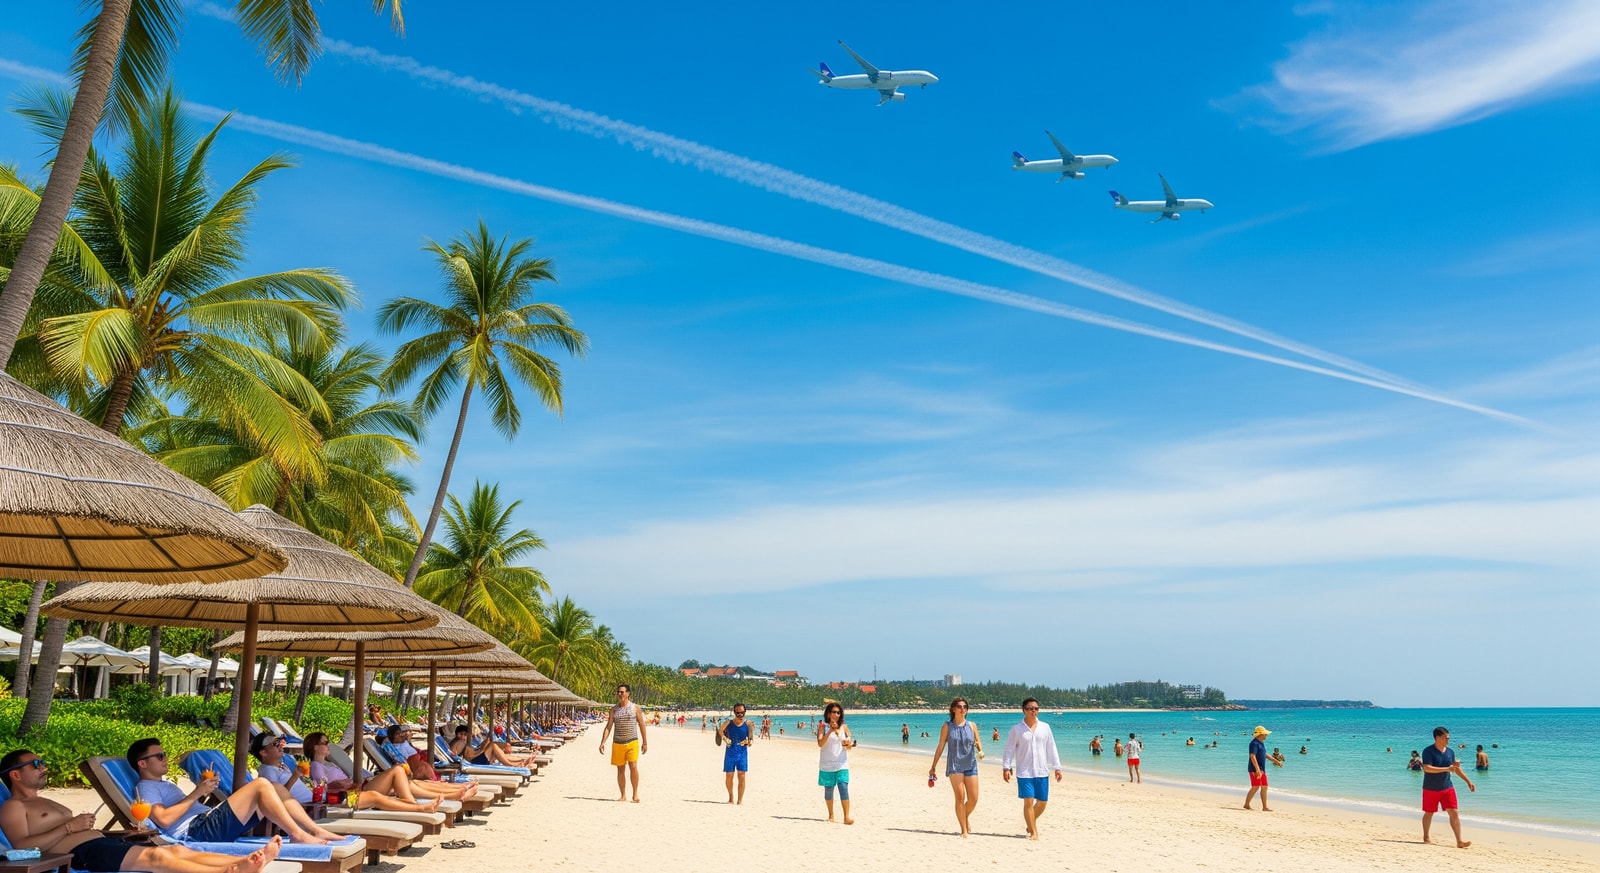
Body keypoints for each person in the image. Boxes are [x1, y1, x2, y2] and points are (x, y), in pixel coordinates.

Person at [0, 750, 282, 873]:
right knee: (157, 856)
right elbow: (21, 848)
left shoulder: (44, 801)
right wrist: (69, 827)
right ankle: (229, 871)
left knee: (176, 851)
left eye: (42, 762)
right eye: (36, 764)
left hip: (100, 842)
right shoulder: (14, 806)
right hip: (81, 856)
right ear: (15, 775)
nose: (44, 767)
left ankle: (240, 862)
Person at [127, 738, 340, 846]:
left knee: (273, 787)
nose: (165, 759)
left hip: (207, 822)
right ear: (142, 764)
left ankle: (313, 829)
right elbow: (163, 819)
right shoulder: (145, 788)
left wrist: (200, 791)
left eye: (163, 754)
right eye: (159, 756)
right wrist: (197, 792)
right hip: (198, 831)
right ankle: (297, 834)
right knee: (262, 783)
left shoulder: (164, 785)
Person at [303, 731, 467, 810]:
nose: (328, 745)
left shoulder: (330, 764)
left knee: (409, 782)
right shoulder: (316, 766)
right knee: (397, 770)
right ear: (315, 747)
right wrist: (349, 783)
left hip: (359, 786)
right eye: (325, 743)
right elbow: (323, 789)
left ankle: (452, 793)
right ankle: (412, 806)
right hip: (353, 793)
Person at [1001, 699, 1061, 841]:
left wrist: (1057, 767)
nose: (1033, 711)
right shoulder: (1017, 729)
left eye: (1036, 708)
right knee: (1028, 802)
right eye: (1030, 708)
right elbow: (1009, 749)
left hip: (1041, 771)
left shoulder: (1045, 727)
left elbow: (1051, 748)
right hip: (1024, 772)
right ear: (1024, 710)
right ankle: (1034, 832)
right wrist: (1006, 767)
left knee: (1042, 803)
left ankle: (1030, 822)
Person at [928, 697, 982, 837]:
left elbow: (977, 741)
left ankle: (965, 816)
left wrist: (980, 750)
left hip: (971, 764)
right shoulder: (947, 726)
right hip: (955, 764)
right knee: (960, 797)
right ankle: (963, 829)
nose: (962, 708)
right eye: (959, 706)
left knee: (973, 799)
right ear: (953, 709)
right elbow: (941, 746)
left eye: (965, 706)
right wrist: (933, 766)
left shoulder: (972, 725)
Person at [1421, 726, 1475, 848]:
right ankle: (1426, 836)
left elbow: (1455, 769)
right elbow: (1427, 768)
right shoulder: (1428, 751)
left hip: (1447, 787)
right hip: (1431, 787)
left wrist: (1468, 781)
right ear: (1437, 737)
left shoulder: (1450, 752)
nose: (1448, 740)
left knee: (1454, 813)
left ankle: (1459, 841)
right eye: (1445, 738)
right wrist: (1447, 768)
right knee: (1429, 813)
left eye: (1448, 738)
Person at [599, 683, 647, 802]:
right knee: (620, 769)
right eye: (618, 692)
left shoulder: (635, 708)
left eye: (622, 692)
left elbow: (641, 724)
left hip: (632, 741)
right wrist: (602, 742)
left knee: (633, 765)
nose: (620, 694)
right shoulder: (614, 710)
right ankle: (623, 795)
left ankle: (635, 794)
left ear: (628, 693)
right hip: (618, 742)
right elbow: (608, 726)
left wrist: (645, 742)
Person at [816, 703, 854, 824]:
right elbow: (820, 743)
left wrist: (849, 745)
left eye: (838, 712)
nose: (836, 714)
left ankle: (846, 817)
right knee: (829, 789)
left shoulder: (844, 727)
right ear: (828, 713)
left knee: (843, 787)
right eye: (833, 712)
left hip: (842, 763)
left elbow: (849, 746)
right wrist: (830, 731)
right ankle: (831, 815)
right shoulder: (823, 727)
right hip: (827, 764)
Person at [719, 704, 753, 804]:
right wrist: (725, 738)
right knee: (729, 775)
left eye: (742, 712)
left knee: (741, 775)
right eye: (738, 712)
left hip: (742, 753)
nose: (740, 714)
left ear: (745, 712)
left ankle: (740, 800)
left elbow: (750, 739)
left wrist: (748, 742)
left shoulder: (748, 724)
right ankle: (731, 797)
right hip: (730, 752)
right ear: (734, 712)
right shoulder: (728, 722)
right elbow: (720, 731)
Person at [1243, 725, 1281, 811]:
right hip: (1255, 769)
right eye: (1265, 734)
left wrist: (1276, 761)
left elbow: (1265, 754)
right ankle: (1246, 804)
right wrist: (1257, 770)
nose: (1266, 735)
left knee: (1264, 786)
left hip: (1262, 769)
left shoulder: (1261, 743)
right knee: (1255, 786)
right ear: (1260, 734)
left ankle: (1265, 807)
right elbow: (1252, 756)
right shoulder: (1254, 743)